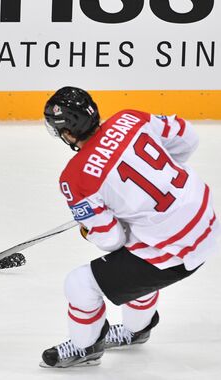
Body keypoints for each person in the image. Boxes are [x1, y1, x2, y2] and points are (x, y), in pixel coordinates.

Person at [40, 86, 219, 368]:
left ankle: (85, 347)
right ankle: (137, 330)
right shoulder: (129, 118)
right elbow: (188, 138)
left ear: (67, 132)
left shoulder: (75, 177)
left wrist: (88, 228)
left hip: (177, 251)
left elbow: (110, 239)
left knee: (79, 285)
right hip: (207, 221)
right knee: (133, 257)